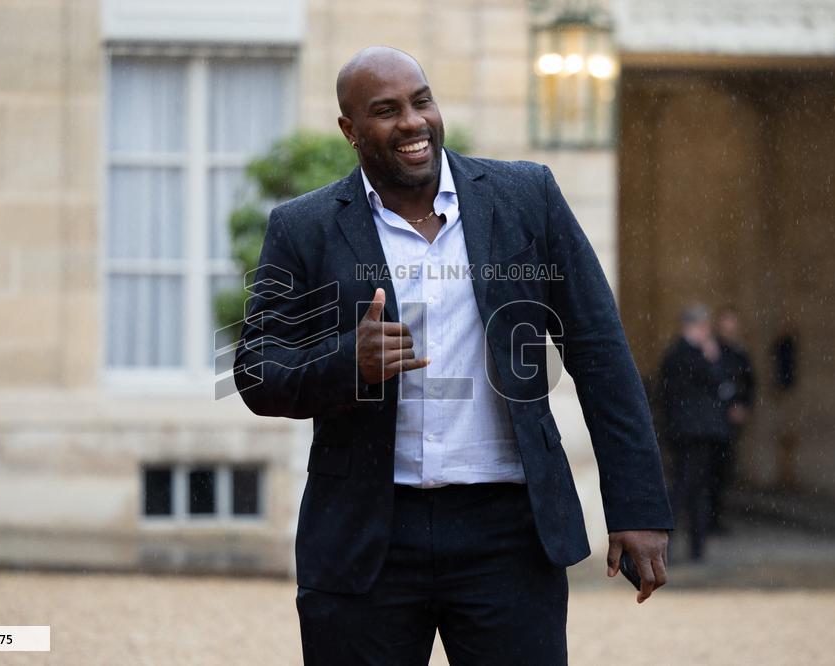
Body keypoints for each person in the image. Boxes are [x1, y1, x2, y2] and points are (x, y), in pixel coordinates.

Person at [234, 46, 672, 665]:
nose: (413, 123)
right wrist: (346, 363)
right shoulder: (303, 228)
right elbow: (255, 371)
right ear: (349, 131)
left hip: (508, 532)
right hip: (366, 537)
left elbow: (599, 351)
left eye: (421, 101)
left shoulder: (526, 197)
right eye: (386, 111)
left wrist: (638, 505)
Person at [657, 305, 730, 562]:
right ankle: (669, 542)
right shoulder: (681, 354)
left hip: (700, 431)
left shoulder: (693, 353)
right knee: (686, 486)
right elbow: (708, 382)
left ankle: (697, 547)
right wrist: (711, 360)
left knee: (698, 487)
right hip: (690, 431)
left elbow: (722, 384)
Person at [711, 306, 755, 533]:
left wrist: (742, 406)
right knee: (707, 473)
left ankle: (715, 518)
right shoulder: (712, 351)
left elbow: (748, 384)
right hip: (713, 422)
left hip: (728, 426)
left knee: (723, 472)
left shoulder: (739, 354)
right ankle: (706, 520)